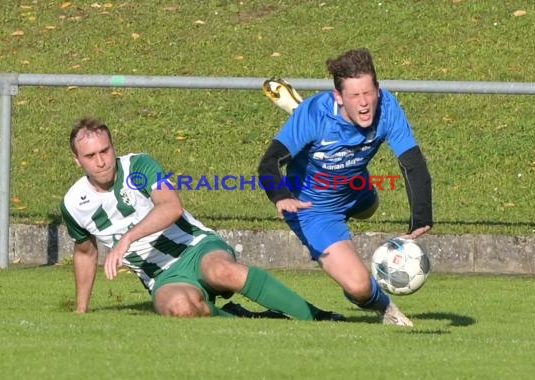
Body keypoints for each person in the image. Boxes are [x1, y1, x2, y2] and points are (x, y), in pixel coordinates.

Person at [61, 117, 344, 320]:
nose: (101, 161)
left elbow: (171, 207)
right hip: (161, 276)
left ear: (113, 146)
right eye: (90, 156)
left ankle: (316, 316)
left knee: (223, 272)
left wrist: (127, 239)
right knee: (181, 309)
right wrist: (81, 310)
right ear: (77, 161)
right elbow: (85, 252)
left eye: (105, 150)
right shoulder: (74, 203)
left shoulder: (138, 166)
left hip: (196, 247)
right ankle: (239, 317)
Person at [257, 48, 433, 327]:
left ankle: (321, 148)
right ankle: (385, 309)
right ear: (338, 97)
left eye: (368, 93)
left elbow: (412, 162)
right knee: (360, 286)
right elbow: (268, 164)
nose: (364, 104)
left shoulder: (387, 108)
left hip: (356, 187)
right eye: (354, 96)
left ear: (378, 89)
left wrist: (421, 215)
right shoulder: (315, 114)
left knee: (369, 209)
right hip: (312, 209)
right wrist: (280, 195)